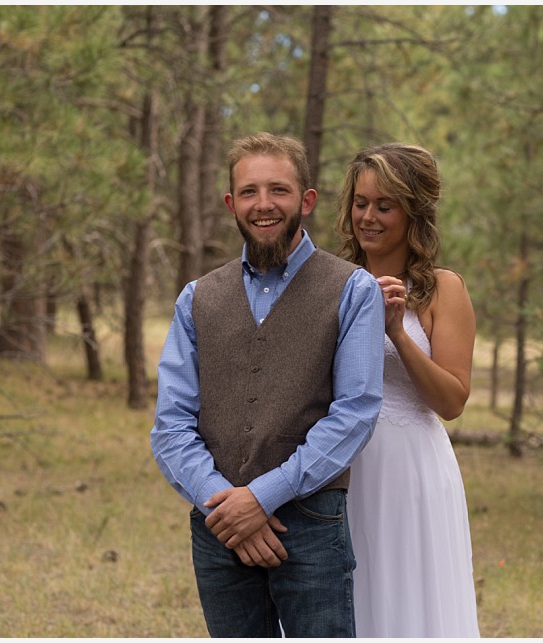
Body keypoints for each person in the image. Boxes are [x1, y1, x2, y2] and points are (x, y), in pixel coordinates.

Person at [150, 132, 385, 638]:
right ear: (232, 204)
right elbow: (170, 426)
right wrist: (226, 505)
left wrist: (261, 498)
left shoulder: (353, 290)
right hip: (218, 529)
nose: (264, 205)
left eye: (278, 190)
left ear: (306, 200)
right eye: (250, 192)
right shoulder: (197, 298)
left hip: (312, 525)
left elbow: (356, 412)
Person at [337, 143, 481, 637]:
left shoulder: (444, 289)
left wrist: (398, 330)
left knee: (408, 602)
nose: (368, 217)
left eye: (384, 205)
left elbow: (452, 400)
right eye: (360, 203)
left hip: (409, 471)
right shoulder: (331, 282)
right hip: (338, 466)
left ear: (412, 211)